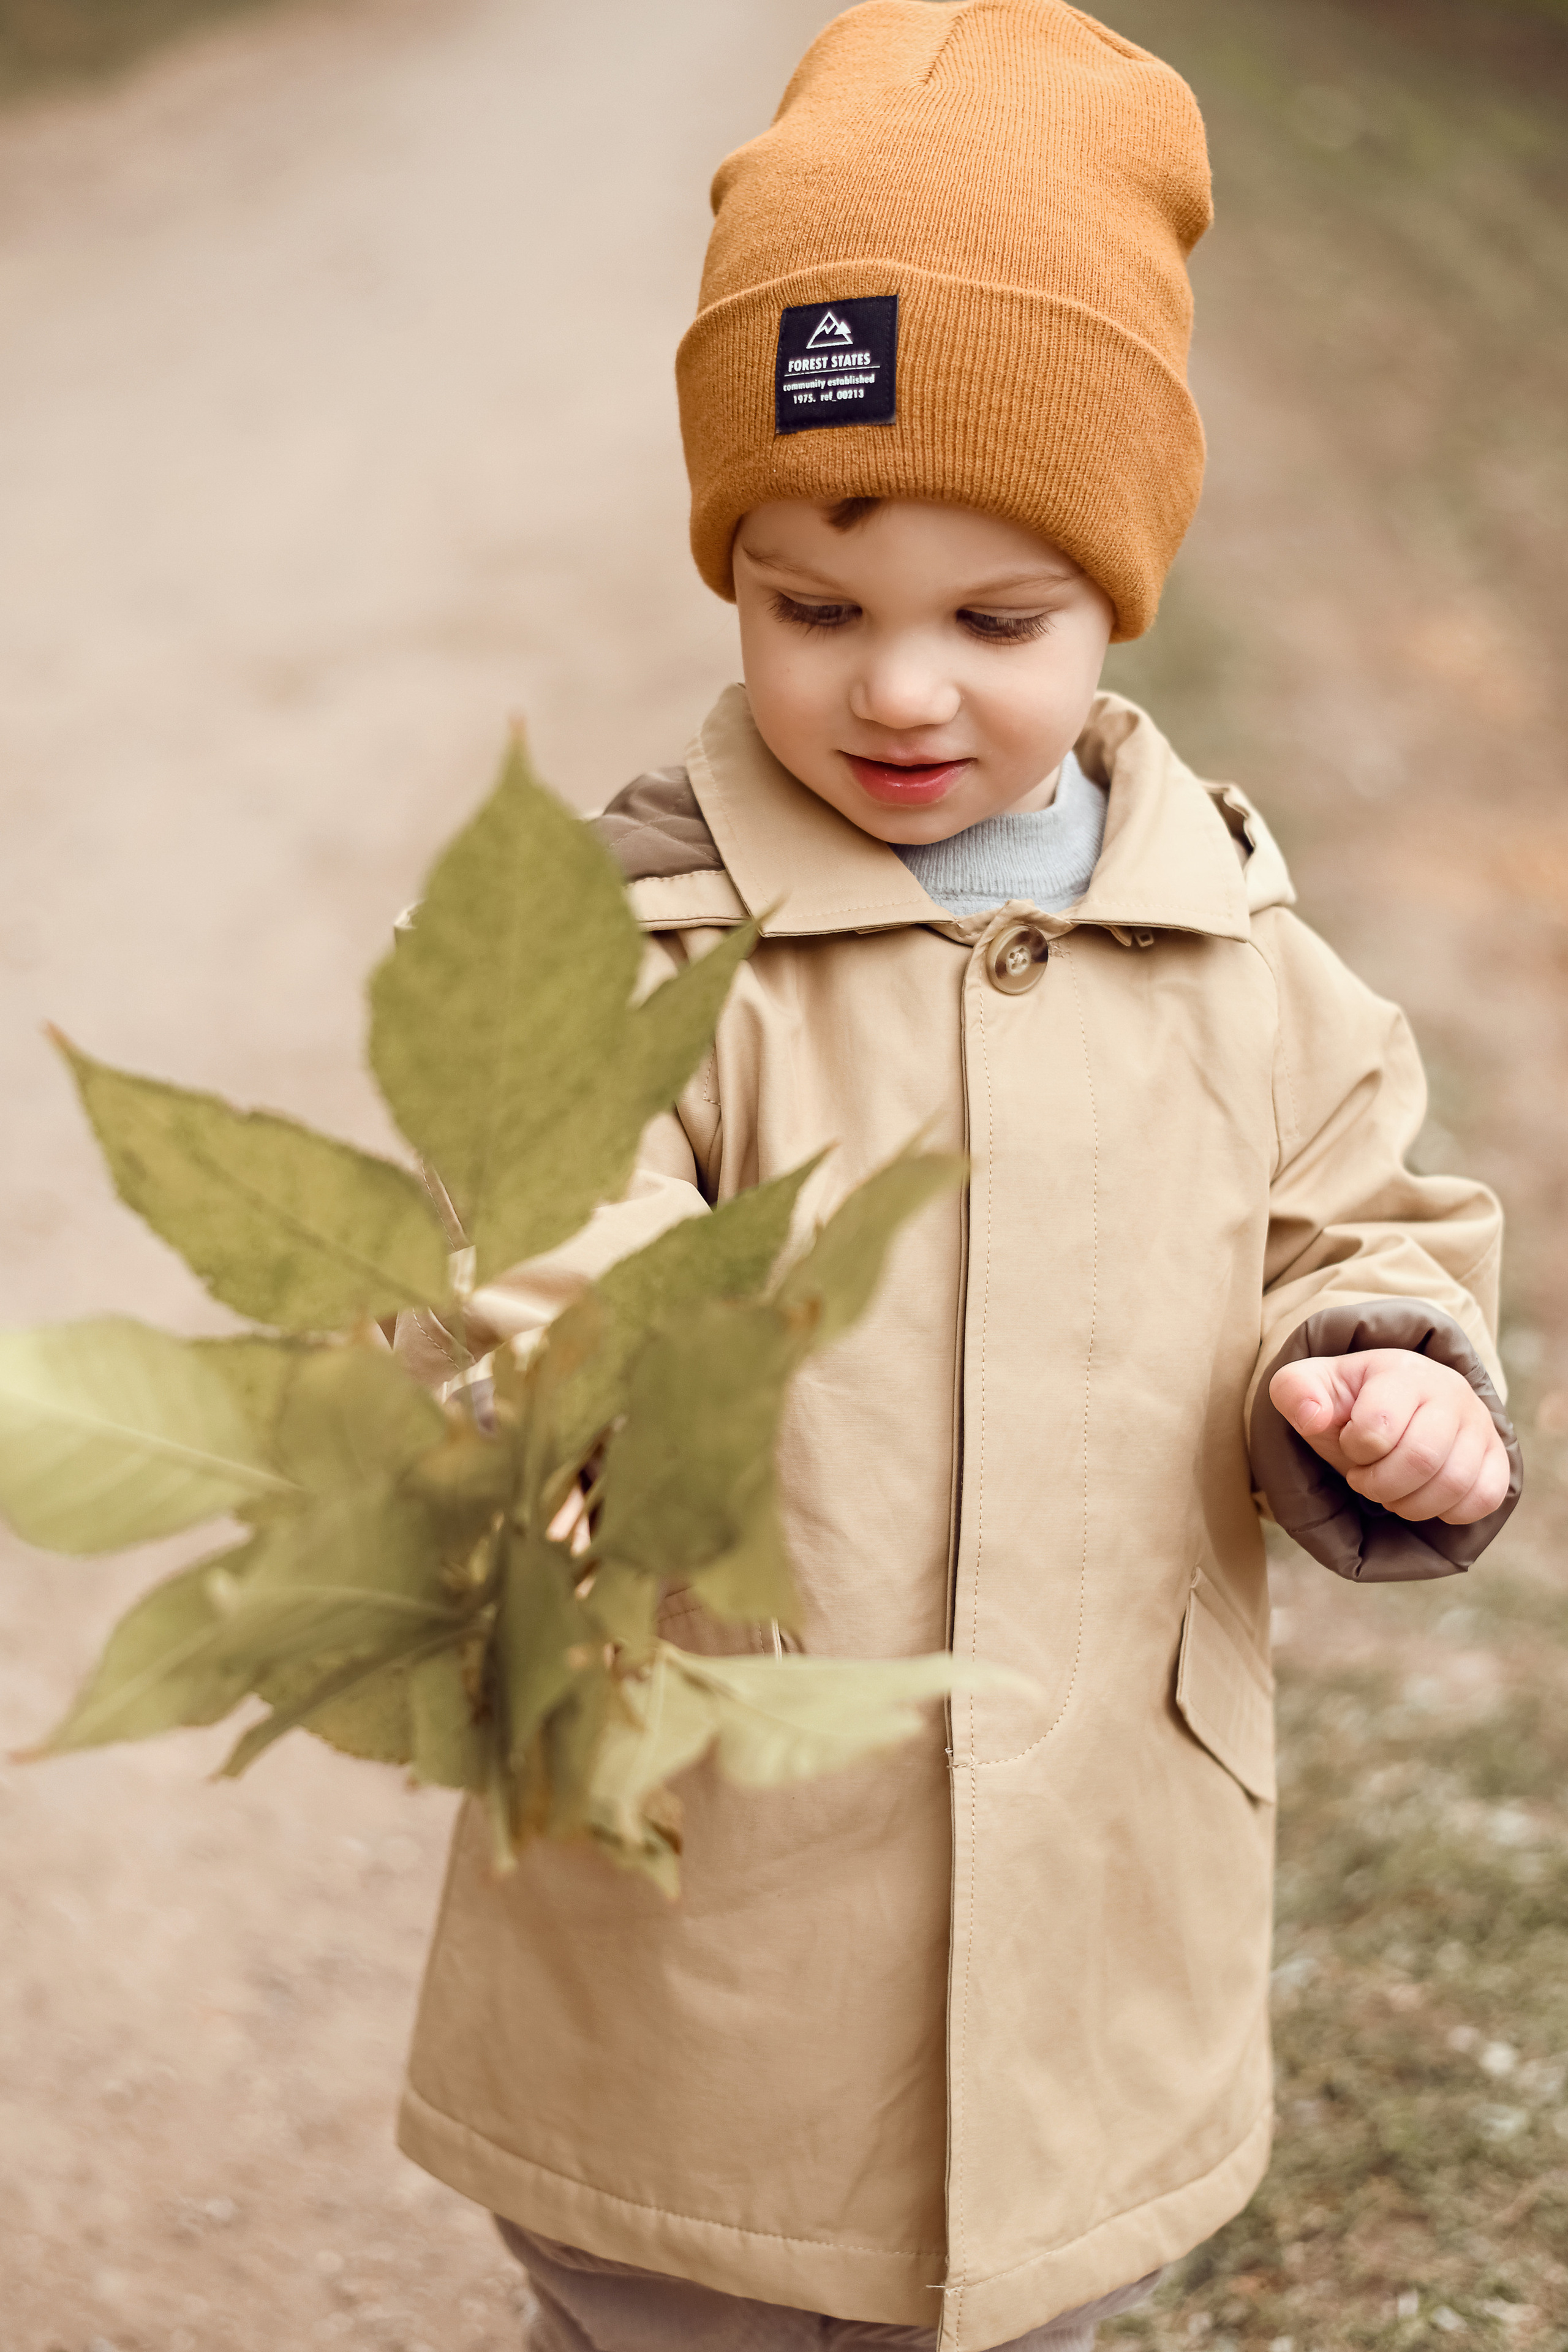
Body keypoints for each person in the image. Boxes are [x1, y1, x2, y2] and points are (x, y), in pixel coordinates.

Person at [394, 4, 1522, 2346]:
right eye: (817, 608)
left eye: (991, 622)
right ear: (734, 579)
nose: (898, 692)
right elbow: (529, 1206)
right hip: (711, 1915)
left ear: (1118, 596)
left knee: (1033, 2284)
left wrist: (1384, 1366)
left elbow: (1368, 1219)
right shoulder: (645, 938)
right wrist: (591, 1394)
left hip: (1086, 1898)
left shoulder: (1245, 958)